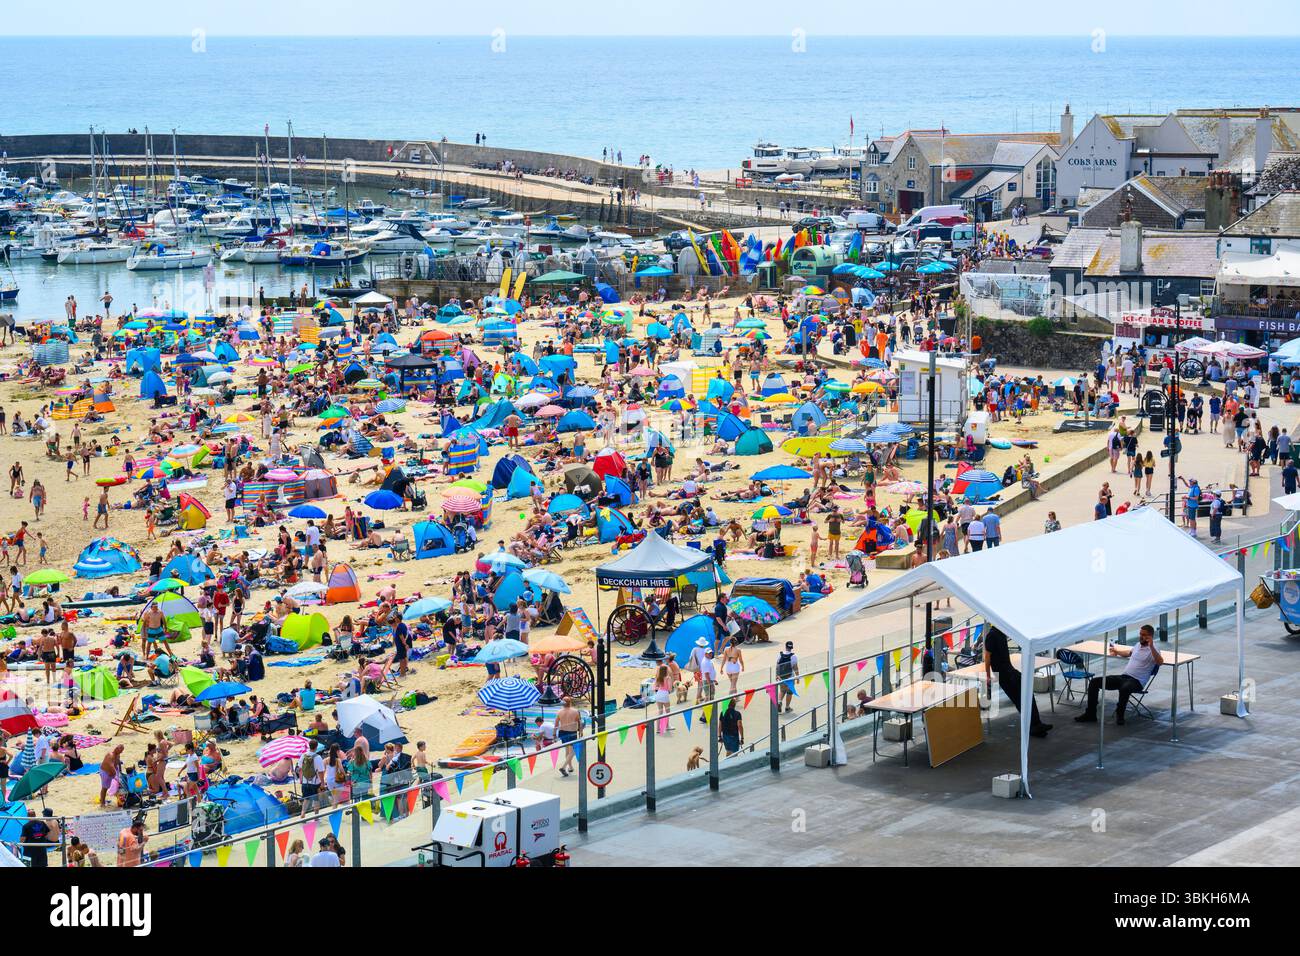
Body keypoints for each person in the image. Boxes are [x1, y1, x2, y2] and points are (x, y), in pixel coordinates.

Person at [1075, 624, 1163, 726]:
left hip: (1137, 681)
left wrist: (1151, 646)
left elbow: (1160, 662)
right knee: (1095, 682)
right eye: (1140, 634)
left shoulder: (1154, 649)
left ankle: (1120, 714)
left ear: (1150, 636)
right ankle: (1090, 713)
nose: (1141, 636)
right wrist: (1116, 651)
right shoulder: (1138, 645)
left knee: (1125, 688)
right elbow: (1129, 653)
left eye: (1144, 635)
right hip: (1124, 677)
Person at [983, 626, 1051, 738]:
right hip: (1005, 674)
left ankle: (1036, 724)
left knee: (1026, 695)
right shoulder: (992, 635)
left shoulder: (1000, 633)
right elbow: (987, 656)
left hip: (1009, 671)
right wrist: (988, 676)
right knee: (1020, 699)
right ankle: (1034, 726)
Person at [555, 696, 582, 775]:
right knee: (573, 751)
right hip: (571, 732)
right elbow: (579, 722)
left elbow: (556, 724)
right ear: (570, 702)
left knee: (567, 750)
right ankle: (563, 767)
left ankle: (570, 767)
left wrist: (554, 733)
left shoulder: (559, 712)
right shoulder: (575, 711)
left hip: (562, 732)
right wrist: (580, 731)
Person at [775, 640, 799, 713]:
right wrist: (797, 677)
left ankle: (779, 702)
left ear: (785, 647)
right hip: (790, 677)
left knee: (782, 690)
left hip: (781, 676)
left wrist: (776, 675)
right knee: (789, 692)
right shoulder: (793, 656)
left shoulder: (780, 655)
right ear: (791, 648)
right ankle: (787, 707)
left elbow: (777, 666)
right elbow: (795, 668)